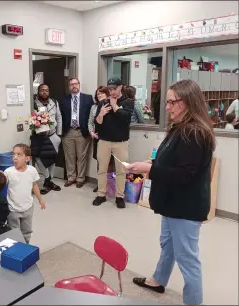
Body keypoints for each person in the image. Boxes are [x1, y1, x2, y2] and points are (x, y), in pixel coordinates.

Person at [128, 79, 215, 306]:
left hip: (185, 206)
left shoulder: (195, 133)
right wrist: (153, 161)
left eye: (171, 103)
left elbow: (183, 175)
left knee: (187, 258)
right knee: (168, 243)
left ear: (187, 102)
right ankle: (158, 279)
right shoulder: (180, 127)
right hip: (172, 202)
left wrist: (149, 169)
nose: (167, 108)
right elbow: (172, 158)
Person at [93, 77, 134, 208]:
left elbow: (126, 119)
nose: (111, 92)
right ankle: (101, 194)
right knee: (102, 169)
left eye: (114, 89)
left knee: (121, 170)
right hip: (104, 141)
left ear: (120, 87)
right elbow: (97, 124)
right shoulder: (103, 102)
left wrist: (115, 106)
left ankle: (119, 196)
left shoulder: (128, 102)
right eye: (110, 89)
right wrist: (101, 114)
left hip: (120, 142)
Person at [4, 144, 46, 243]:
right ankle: (15, 250)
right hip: (12, 209)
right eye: (13, 154)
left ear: (27, 158)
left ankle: (25, 249)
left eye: (19, 155)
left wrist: (40, 200)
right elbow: (0, 185)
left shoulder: (32, 170)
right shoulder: (8, 172)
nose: (15, 157)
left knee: (27, 231)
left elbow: (34, 185)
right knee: (13, 232)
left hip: (28, 208)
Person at [60, 78, 94, 188]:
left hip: (82, 131)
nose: (74, 86)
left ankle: (80, 178)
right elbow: (60, 116)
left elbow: (92, 114)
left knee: (82, 157)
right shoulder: (64, 99)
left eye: (75, 83)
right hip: (68, 131)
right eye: (71, 84)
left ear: (79, 85)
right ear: (69, 87)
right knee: (69, 156)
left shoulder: (88, 98)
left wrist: (91, 129)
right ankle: (71, 177)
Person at [32, 84, 62, 195]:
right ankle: (47, 178)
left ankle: (49, 181)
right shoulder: (34, 104)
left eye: (47, 90)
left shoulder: (54, 102)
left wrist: (59, 134)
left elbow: (59, 117)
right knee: (39, 159)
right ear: (38, 91)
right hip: (39, 137)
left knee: (52, 158)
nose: (44, 92)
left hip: (53, 135)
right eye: (42, 90)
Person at [88, 86, 110, 192]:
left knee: (110, 162)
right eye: (98, 94)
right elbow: (90, 122)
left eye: (102, 93)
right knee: (99, 162)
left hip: (110, 138)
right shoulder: (94, 107)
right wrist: (91, 132)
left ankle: (110, 184)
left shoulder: (111, 105)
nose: (100, 95)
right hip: (97, 138)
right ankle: (100, 184)